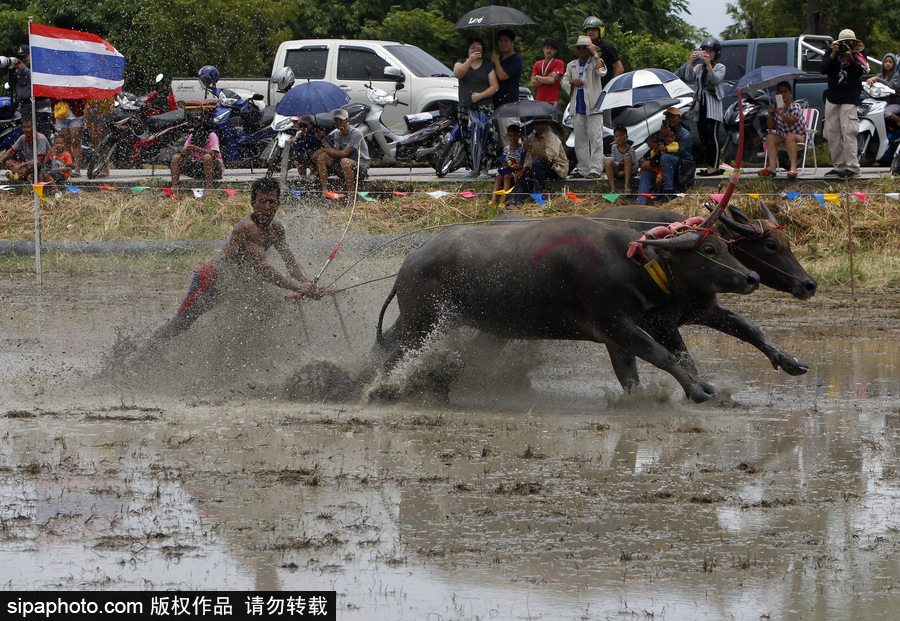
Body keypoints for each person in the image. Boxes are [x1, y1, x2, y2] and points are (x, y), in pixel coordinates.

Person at [148, 177, 321, 344]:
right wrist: (297, 286)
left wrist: (307, 282)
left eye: (272, 202)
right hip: (212, 281)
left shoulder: (277, 228)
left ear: (278, 204)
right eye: (262, 201)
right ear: (252, 203)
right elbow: (263, 269)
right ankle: (144, 350)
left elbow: (291, 262)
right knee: (181, 324)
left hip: (236, 283)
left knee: (269, 306)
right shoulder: (248, 228)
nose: (267, 207)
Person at [822, 29, 867, 179]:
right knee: (832, 132)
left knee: (849, 131)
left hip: (850, 96)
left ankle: (852, 167)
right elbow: (823, 69)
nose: (846, 46)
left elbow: (860, 72)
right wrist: (833, 54)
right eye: (843, 43)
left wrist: (850, 58)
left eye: (849, 43)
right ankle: (839, 166)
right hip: (833, 96)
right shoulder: (831, 52)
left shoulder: (858, 54)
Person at [560, 34, 607, 179]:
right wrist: (572, 82)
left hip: (593, 106)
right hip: (577, 105)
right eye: (579, 48)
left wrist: (595, 53)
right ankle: (584, 168)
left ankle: (596, 169)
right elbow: (564, 81)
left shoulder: (595, 61)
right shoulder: (572, 65)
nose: (582, 50)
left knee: (595, 138)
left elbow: (602, 72)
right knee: (580, 139)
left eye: (585, 48)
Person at [454, 38, 499, 178]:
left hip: (484, 106)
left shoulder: (487, 67)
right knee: (468, 137)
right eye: (472, 48)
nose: (475, 50)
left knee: (488, 136)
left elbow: (495, 86)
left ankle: (485, 169)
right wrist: (470, 61)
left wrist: (481, 95)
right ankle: (473, 168)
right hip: (465, 107)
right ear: (468, 50)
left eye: (478, 48)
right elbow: (458, 74)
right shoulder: (461, 62)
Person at [636, 107, 694, 205]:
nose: (670, 119)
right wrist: (660, 136)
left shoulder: (684, 134)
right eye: (668, 117)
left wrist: (663, 148)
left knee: (665, 158)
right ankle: (640, 202)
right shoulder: (665, 130)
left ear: (679, 118)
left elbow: (677, 152)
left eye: (673, 116)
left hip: (681, 165)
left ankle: (668, 191)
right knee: (646, 173)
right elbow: (650, 143)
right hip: (664, 165)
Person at [506, 117, 568, 207]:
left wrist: (532, 149)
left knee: (537, 161)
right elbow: (529, 158)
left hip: (556, 169)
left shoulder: (552, 137)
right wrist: (523, 170)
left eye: (542, 123)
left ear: (547, 124)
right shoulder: (532, 139)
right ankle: (514, 202)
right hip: (539, 169)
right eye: (537, 124)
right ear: (533, 125)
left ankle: (541, 192)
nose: (539, 126)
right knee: (523, 177)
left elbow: (549, 157)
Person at [312, 108, 370, 193]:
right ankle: (325, 190)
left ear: (347, 120)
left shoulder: (356, 133)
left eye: (340, 120)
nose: (337, 123)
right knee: (322, 156)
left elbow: (344, 153)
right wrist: (323, 140)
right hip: (344, 165)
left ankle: (351, 193)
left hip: (360, 166)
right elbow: (335, 153)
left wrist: (323, 149)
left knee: (344, 161)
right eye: (335, 120)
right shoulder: (337, 134)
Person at [692, 38, 727, 176]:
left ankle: (715, 166)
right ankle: (709, 165)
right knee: (703, 136)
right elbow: (688, 75)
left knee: (712, 136)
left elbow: (715, 79)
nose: (707, 54)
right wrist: (691, 62)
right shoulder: (698, 68)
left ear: (716, 53)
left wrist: (709, 65)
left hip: (713, 107)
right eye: (705, 51)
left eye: (710, 51)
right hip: (701, 106)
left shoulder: (720, 67)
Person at [759, 81, 807, 180]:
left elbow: (791, 122)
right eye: (780, 92)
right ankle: (772, 167)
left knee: (790, 137)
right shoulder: (775, 107)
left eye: (785, 92)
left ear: (790, 93)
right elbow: (770, 127)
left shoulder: (795, 106)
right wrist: (771, 114)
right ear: (777, 94)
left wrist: (782, 113)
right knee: (770, 136)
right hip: (783, 136)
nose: (783, 94)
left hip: (799, 137)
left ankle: (793, 168)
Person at [8, 45, 54, 140]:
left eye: (25, 56)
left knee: (41, 136)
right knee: (27, 136)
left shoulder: (38, 66)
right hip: (25, 108)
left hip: (39, 107)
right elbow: (11, 84)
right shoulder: (18, 72)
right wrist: (11, 70)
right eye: (20, 57)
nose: (23, 59)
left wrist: (24, 69)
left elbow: (38, 82)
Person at [170, 114, 225, 189]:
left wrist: (197, 149)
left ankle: (209, 187)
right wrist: (184, 151)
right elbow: (185, 150)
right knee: (176, 157)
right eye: (193, 122)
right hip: (197, 166)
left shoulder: (212, 135)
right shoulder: (192, 136)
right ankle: (174, 186)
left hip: (214, 168)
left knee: (207, 157)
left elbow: (214, 154)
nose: (194, 125)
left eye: (196, 122)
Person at [491, 29, 523, 149]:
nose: (503, 43)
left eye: (506, 41)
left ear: (512, 42)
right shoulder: (499, 59)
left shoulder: (515, 59)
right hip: (497, 103)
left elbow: (502, 76)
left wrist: (496, 61)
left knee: (511, 138)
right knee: (501, 140)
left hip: (509, 104)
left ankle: (517, 159)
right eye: (501, 41)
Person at [0, 116, 51, 182]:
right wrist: (0, 161)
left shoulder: (40, 138)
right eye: (24, 127)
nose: (26, 129)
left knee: (34, 163)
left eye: (28, 127)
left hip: (41, 166)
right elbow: (10, 151)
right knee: (8, 162)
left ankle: (22, 176)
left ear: (34, 127)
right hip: (27, 166)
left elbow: (39, 159)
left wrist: (20, 165)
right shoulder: (22, 138)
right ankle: (25, 174)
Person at [582, 16, 624, 88]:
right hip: (588, 89)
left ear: (600, 31)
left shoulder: (606, 47)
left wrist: (611, 86)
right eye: (589, 30)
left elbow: (620, 68)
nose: (591, 32)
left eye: (594, 29)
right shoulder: (583, 47)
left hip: (603, 88)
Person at [640, 124, 679, 194]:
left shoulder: (674, 144)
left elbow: (675, 148)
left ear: (674, 138)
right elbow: (652, 154)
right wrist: (656, 149)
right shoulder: (661, 144)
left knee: (658, 180)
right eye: (666, 136)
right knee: (643, 165)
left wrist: (665, 148)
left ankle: (658, 192)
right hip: (656, 165)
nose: (668, 138)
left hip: (663, 168)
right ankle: (640, 178)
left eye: (670, 137)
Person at [492, 124, 525, 206]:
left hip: (516, 170)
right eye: (510, 136)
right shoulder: (506, 149)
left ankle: (504, 199)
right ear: (507, 136)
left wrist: (516, 168)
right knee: (498, 177)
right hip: (507, 169)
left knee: (507, 177)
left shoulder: (522, 149)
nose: (512, 138)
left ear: (519, 136)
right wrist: (504, 168)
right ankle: (493, 199)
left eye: (515, 135)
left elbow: (524, 164)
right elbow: (504, 162)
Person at [867, 53, 900, 127]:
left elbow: (891, 86)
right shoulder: (880, 75)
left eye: (890, 62)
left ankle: (898, 120)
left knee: (885, 112)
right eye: (886, 61)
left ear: (894, 64)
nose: (888, 64)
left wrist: (878, 79)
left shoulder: (896, 76)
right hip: (882, 102)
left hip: (894, 102)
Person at [530, 38, 565, 108]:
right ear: (543, 48)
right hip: (539, 101)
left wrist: (537, 77)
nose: (549, 50)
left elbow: (552, 80)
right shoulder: (537, 64)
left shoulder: (559, 63)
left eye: (552, 48)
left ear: (555, 51)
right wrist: (547, 78)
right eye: (547, 48)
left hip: (552, 102)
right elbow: (533, 83)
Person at [54, 99, 84, 177]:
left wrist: (63, 98)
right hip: (60, 114)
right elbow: (52, 98)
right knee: (65, 144)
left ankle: (77, 169)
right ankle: (68, 168)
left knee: (76, 143)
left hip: (76, 114)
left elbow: (79, 96)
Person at [605, 126, 637, 193]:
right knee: (608, 162)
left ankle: (627, 186)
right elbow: (613, 160)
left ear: (626, 136)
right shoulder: (614, 147)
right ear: (614, 138)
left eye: (622, 135)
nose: (619, 138)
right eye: (617, 136)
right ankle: (613, 189)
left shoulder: (631, 149)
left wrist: (625, 171)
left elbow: (635, 165)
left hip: (628, 172)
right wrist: (619, 164)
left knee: (627, 158)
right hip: (617, 170)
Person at [289, 115, 320, 179]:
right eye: (300, 126)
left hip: (317, 157)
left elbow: (298, 147)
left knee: (299, 155)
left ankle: (312, 173)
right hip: (314, 156)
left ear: (311, 124)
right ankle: (306, 175)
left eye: (305, 125)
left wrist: (296, 140)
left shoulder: (312, 133)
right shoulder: (306, 133)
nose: (303, 128)